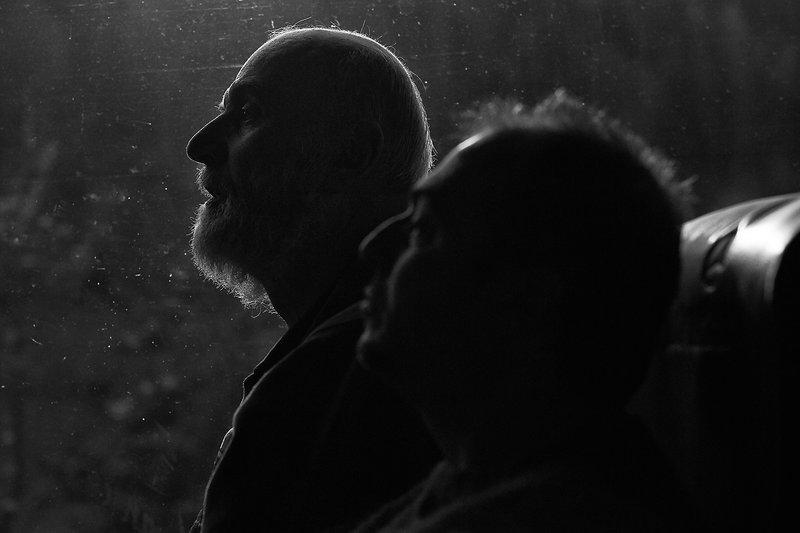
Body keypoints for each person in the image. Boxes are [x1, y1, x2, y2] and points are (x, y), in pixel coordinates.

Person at [354, 91, 704, 532]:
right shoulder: (476, 484)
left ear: (527, 300)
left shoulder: (559, 519)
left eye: (424, 230)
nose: (371, 248)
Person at [185, 27, 440, 533]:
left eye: (249, 113)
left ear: (351, 152)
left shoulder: (342, 383)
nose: (200, 145)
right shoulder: (402, 343)